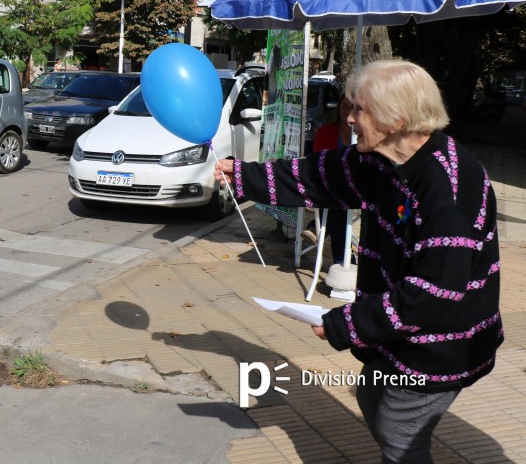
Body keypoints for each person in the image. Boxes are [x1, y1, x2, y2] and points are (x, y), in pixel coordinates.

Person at [215, 60, 502, 463]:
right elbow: (319, 175)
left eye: (358, 109)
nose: (348, 118)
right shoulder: (380, 159)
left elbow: (432, 294)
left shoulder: (447, 188)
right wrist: (244, 175)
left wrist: (343, 324)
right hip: (399, 331)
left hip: (443, 342)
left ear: (395, 118)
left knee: (399, 430)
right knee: (371, 391)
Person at [303, 93, 354, 266]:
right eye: (344, 105)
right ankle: (344, 261)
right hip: (328, 185)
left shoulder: (362, 134)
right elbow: (319, 161)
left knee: (342, 203)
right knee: (341, 206)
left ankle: (315, 229)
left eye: (352, 106)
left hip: (354, 188)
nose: (347, 110)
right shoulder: (326, 131)